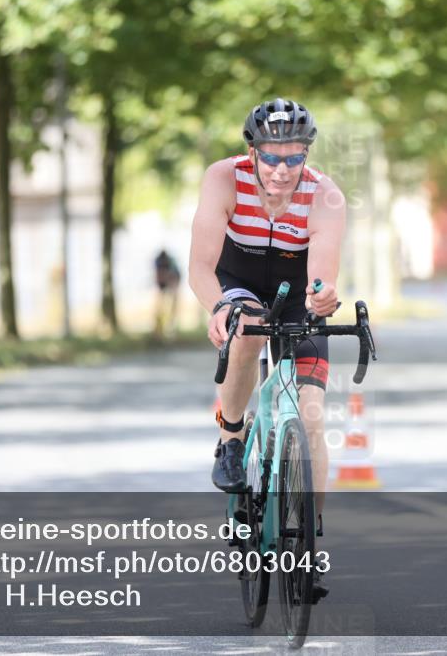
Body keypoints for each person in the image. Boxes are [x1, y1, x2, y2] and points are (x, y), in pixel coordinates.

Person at [188, 99, 345, 596]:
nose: (282, 169)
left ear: (306, 155)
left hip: (295, 294)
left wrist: (322, 295)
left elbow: (320, 275)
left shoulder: (325, 195)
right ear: (252, 151)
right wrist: (218, 306)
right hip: (236, 281)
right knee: (249, 326)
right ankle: (231, 438)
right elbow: (200, 267)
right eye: (272, 157)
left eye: (294, 157)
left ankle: (309, 544)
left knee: (313, 416)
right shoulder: (223, 178)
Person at [153, 249, 181, 341]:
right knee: (159, 305)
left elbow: (175, 279)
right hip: (165, 280)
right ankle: (158, 329)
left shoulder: (172, 268)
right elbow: (158, 278)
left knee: (174, 303)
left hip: (173, 278)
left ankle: (171, 325)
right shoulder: (159, 265)